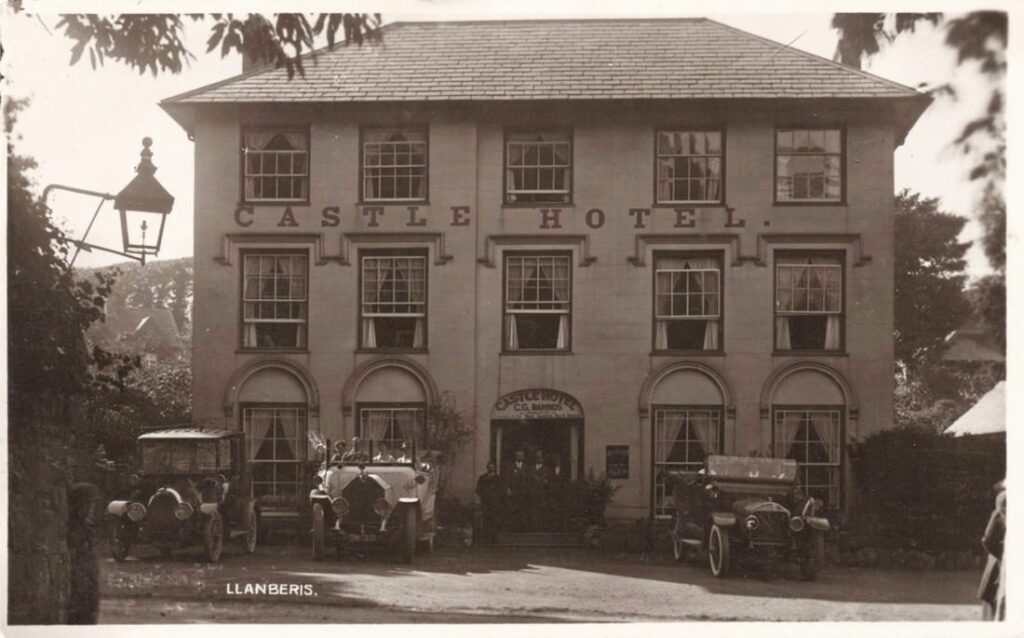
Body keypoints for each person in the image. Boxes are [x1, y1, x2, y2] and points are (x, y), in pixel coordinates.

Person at [979, 480, 1006, 620]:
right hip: (999, 564)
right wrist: (1005, 556)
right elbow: (987, 541)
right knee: (994, 599)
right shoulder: (1001, 507)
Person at [476, 461, 503, 544]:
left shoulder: (498, 478)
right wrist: (483, 496)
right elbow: (478, 489)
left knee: (494, 521)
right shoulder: (482, 478)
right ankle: (485, 538)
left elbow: (501, 490)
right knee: (486, 520)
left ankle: (494, 538)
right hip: (486, 503)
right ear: (487, 468)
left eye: (492, 467)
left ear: (495, 468)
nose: (491, 468)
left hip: (495, 503)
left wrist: (497, 498)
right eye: (489, 467)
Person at [505, 450, 530, 532]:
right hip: (514, 492)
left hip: (524, 492)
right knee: (514, 509)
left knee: (524, 510)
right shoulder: (511, 466)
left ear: (523, 457)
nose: (519, 457)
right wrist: (508, 488)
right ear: (515, 456)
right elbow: (507, 479)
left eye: (521, 455)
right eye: (518, 455)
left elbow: (528, 480)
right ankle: (513, 528)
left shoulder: (526, 467)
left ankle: (523, 528)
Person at [528, 450, 552, 531]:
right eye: (537, 457)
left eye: (540, 457)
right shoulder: (531, 468)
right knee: (533, 510)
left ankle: (543, 528)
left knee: (543, 509)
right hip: (533, 493)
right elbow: (528, 481)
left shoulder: (547, 469)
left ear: (542, 458)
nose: (539, 458)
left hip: (543, 493)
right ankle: (533, 527)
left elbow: (549, 482)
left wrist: (545, 482)